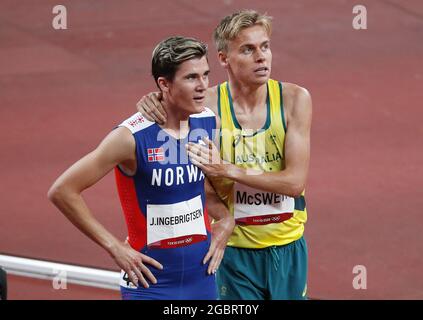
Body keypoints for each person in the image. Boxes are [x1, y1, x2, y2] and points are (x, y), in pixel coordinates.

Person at [136, 10, 312, 300]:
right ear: (223, 58)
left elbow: (293, 183)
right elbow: (194, 182)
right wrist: (151, 100)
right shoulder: (205, 108)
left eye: (265, 46)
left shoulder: (294, 100)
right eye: (248, 49)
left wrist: (227, 169)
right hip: (234, 251)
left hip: (288, 245)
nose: (261, 57)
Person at [48, 36, 234, 300]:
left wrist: (225, 219)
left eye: (206, 75)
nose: (203, 86)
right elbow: (62, 190)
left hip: (202, 278)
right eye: (191, 77)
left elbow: (196, 185)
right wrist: (114, 247)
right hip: (150, 285)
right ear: (164, 84)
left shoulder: (207, 122)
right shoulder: (129, 137)